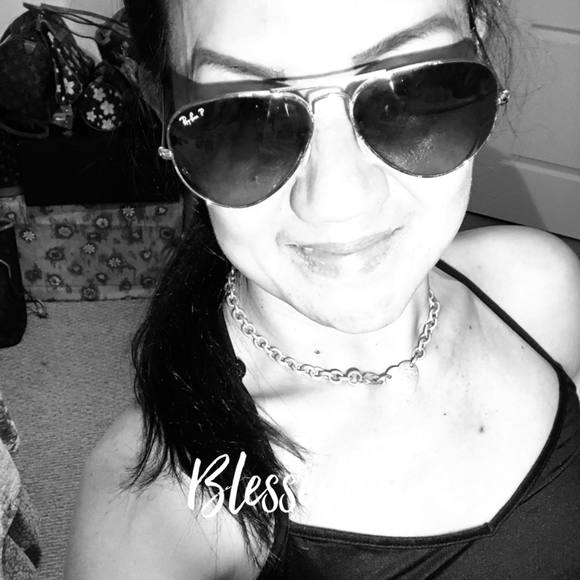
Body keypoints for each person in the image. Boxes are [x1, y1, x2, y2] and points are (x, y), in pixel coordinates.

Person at [65, 0, 580, 578]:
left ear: (480, 54)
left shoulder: (540, 291)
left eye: (410, 85)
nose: (338, 200)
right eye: (245, 112)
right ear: (166, 113)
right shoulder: (159, 506)